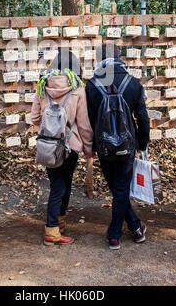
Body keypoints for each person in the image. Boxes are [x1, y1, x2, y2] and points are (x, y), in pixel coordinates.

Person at [85, 44, 150, 250]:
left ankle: (131, 228)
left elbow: (90, 120)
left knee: (117, 188)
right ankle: (119, 233)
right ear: (119, 57)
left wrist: (92, 146)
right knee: (120, 189)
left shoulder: (92, 85)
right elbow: (143, 118)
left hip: (104, 148)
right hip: (127, 146)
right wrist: (142, 142)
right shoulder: (133, 83)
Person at [31, 50, 93, 246]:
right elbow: (83, 124)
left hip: (48, 146)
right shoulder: (78, 90)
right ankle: (53, 228)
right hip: (70, 146)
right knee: (63, 184)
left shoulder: (42, 88)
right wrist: (89, 148)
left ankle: (58, 222)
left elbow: (34, 118)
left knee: (57, 184)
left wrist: (49, 126)